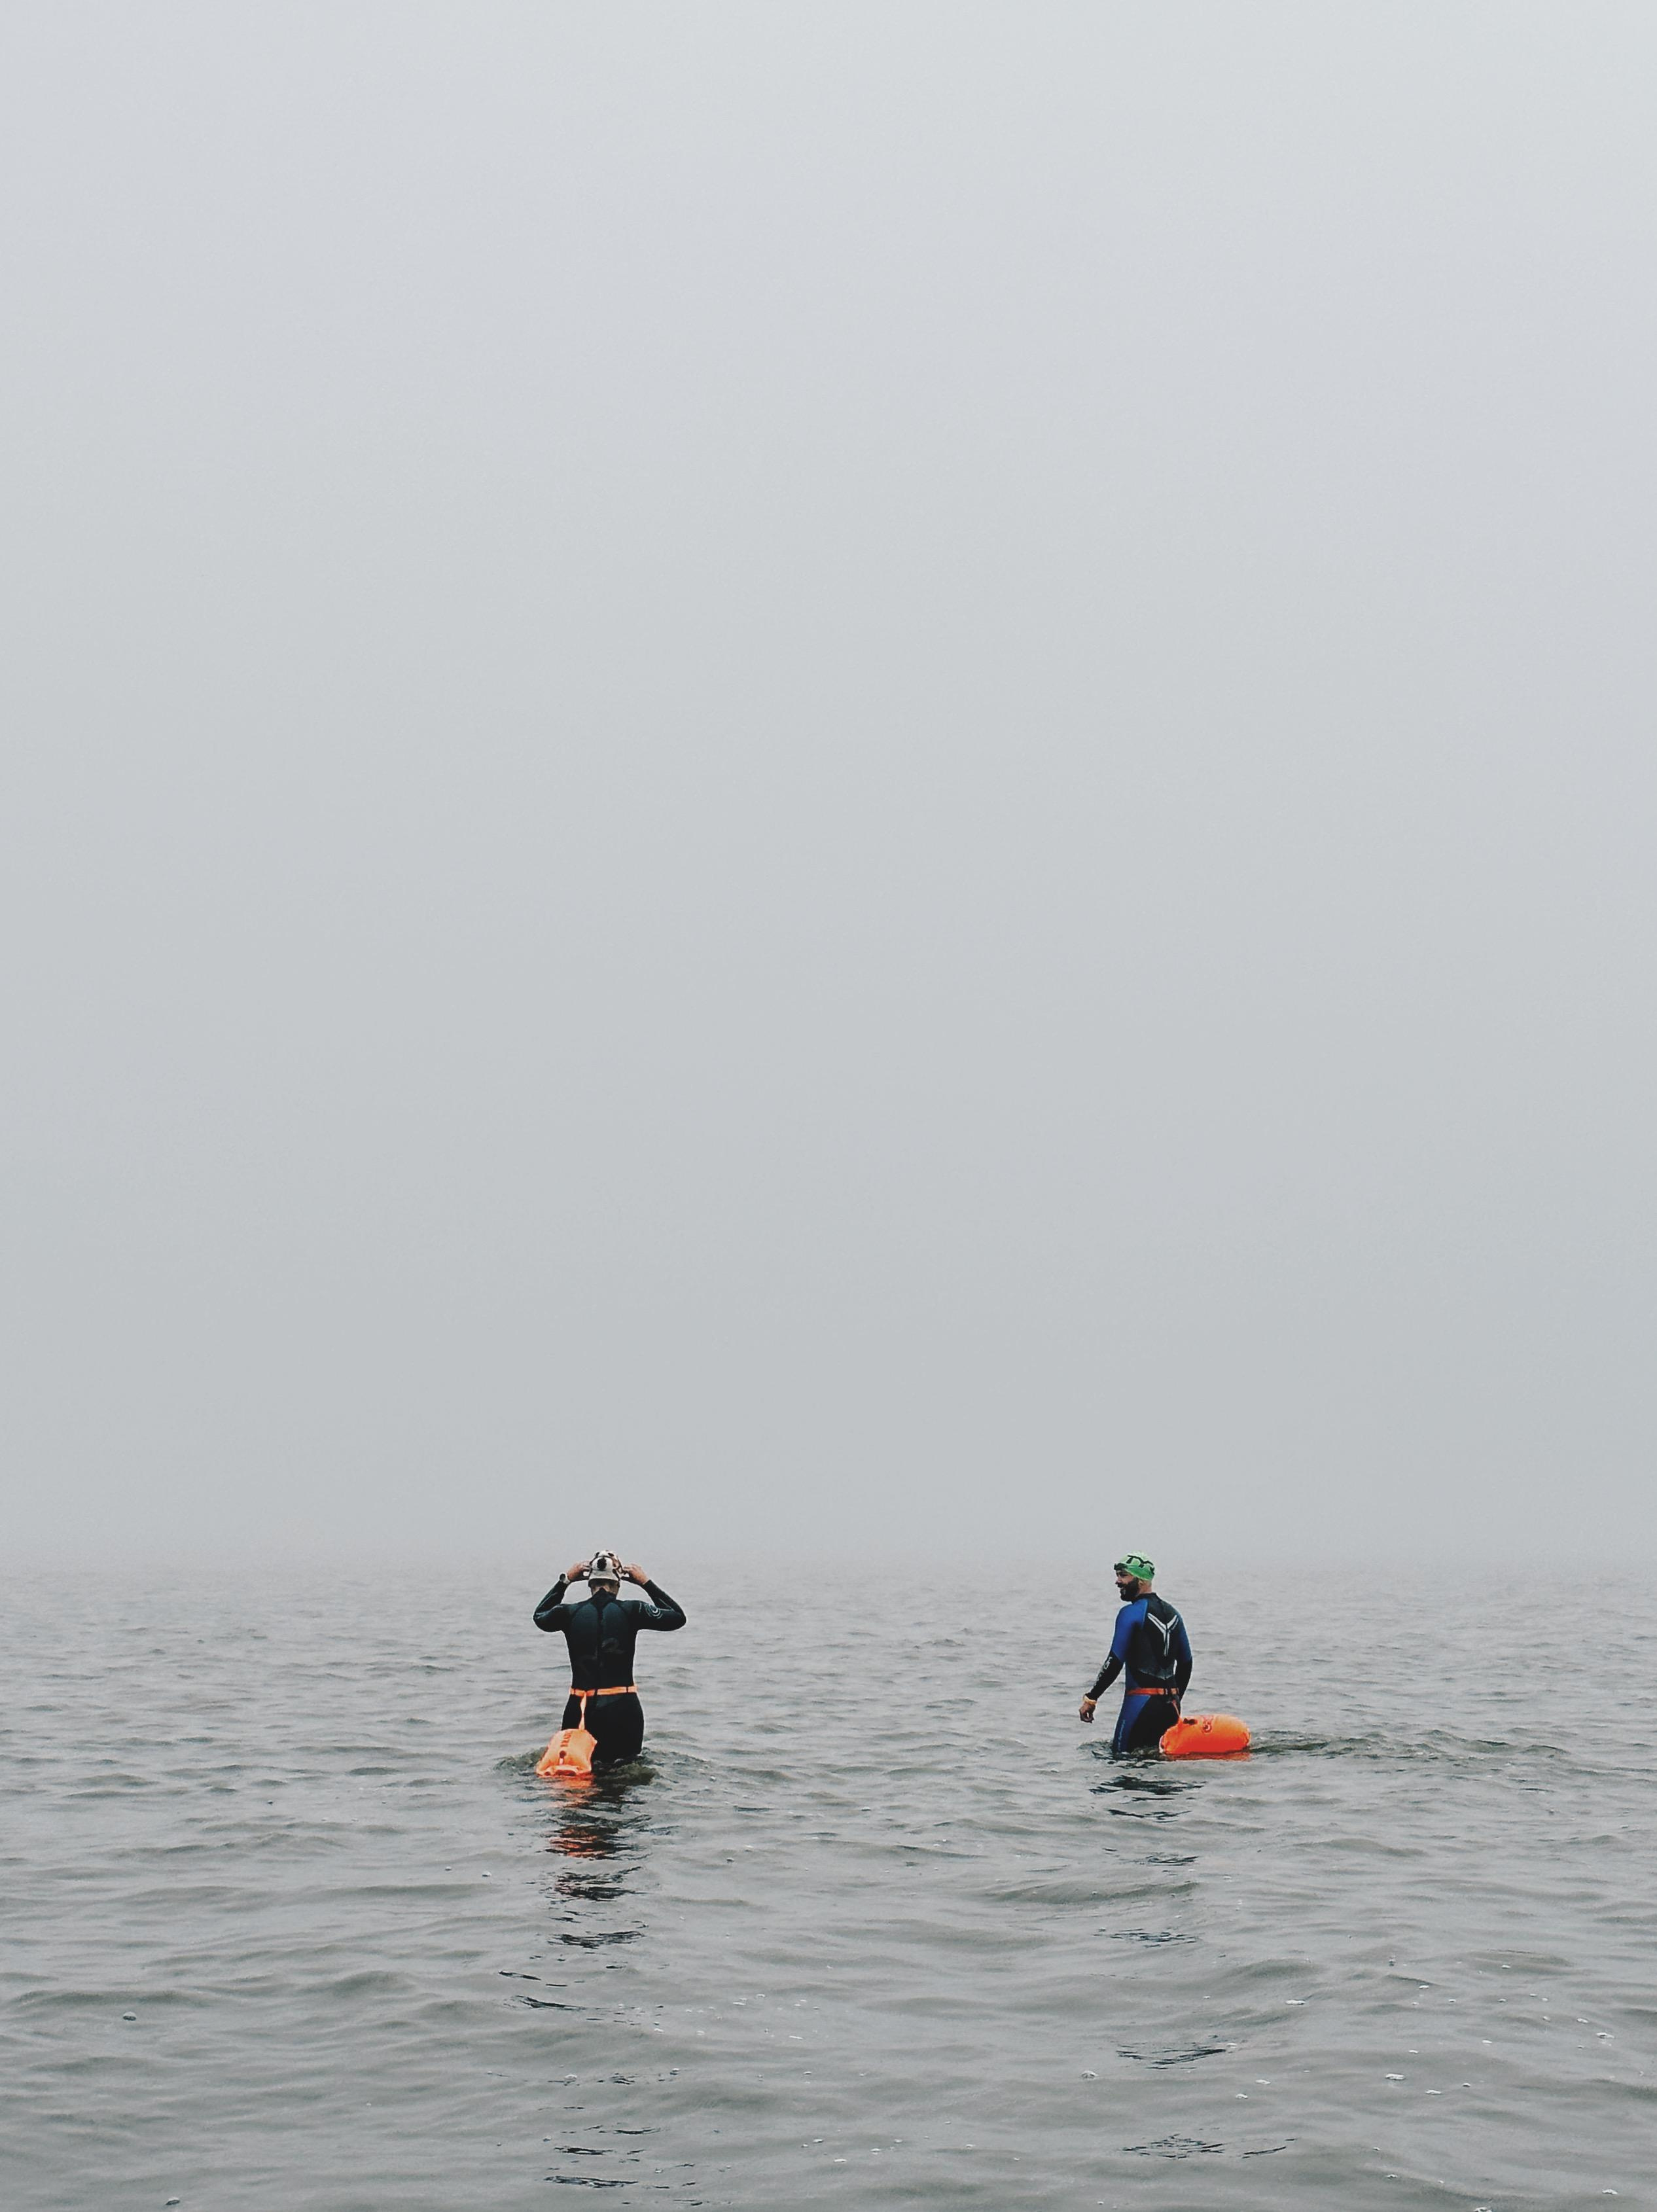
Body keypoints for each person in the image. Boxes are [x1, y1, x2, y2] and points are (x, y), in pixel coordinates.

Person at [533, 1551, 686, 1768]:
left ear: (588, 1582)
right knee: (624, 1775)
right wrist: (645, 1582)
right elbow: (677, 1617)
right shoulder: (632, 1610)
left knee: (577, 1775)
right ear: (620, 1581)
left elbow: (540, 1616)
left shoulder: (569, 1613)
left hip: (580, 1709)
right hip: (622, 1709)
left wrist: (566, 1580)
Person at [1078, 1552, 1192, 1754]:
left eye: (1123, 1576)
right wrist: (1175, 1699)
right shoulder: (1174, 1613)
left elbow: (1114, 1661)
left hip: (1140, 1704)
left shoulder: (1130, 1613)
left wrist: (1091, 1698)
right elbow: (1186, 1663)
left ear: (1140, 1581)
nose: (1117, 1581)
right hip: (1171, 1706)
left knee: (1121, 1761)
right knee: (1159, 1768)